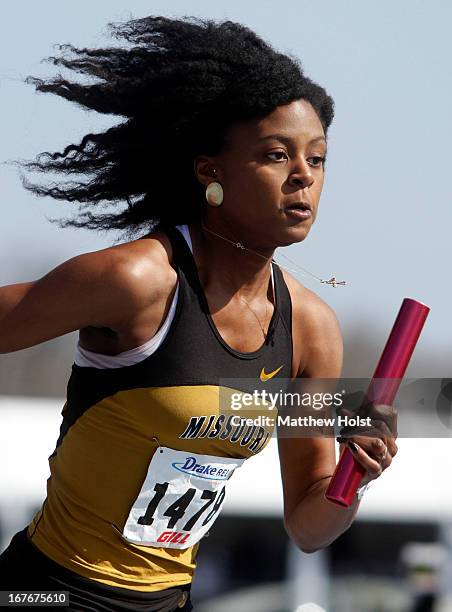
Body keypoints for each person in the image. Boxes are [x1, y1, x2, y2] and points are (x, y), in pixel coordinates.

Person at [0, 16, 398, 611]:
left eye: (318, 160)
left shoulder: (311, 329)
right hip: (48, 591)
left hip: (171, 601)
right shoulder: (138, 280)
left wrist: (354, 477)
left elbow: (308, 528)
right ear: (211, 171)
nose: (303, 178)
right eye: (275, 155)